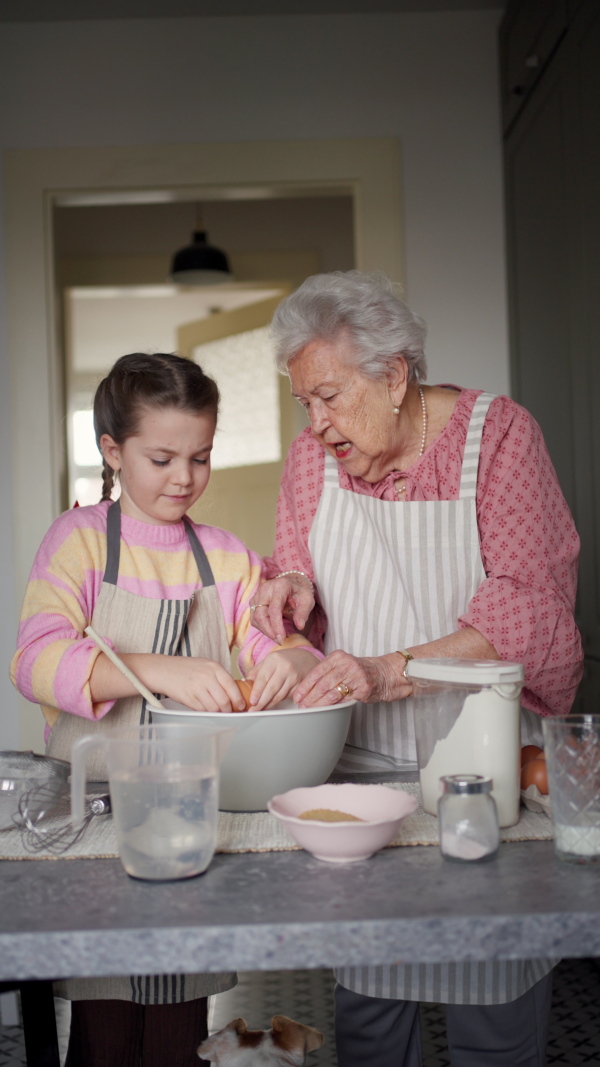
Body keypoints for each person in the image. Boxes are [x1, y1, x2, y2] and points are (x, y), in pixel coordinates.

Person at [249, 271, 583, 1067]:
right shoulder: (310, 460)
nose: (316, 422)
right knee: (371, 1017)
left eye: (328, 396)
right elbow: (300, 605)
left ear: (395, 375)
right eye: (304, 402)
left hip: (486, 773)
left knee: (493, 1015)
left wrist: (390, 668)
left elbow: (528, 607)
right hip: (360, 790)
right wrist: (290, 599)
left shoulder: (497, 438)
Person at [10, 352, 321, 1067]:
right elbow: (32, 660)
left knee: (179, 1032)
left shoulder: (228, 558)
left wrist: (287, 662)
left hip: (187, 833)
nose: (184, 477)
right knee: (107, 1032)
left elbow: (294, 647)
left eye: (201, 457)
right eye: (162, 457)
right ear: (112, 451)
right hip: (94, 831)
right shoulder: (80, 539)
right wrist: (155, 670)